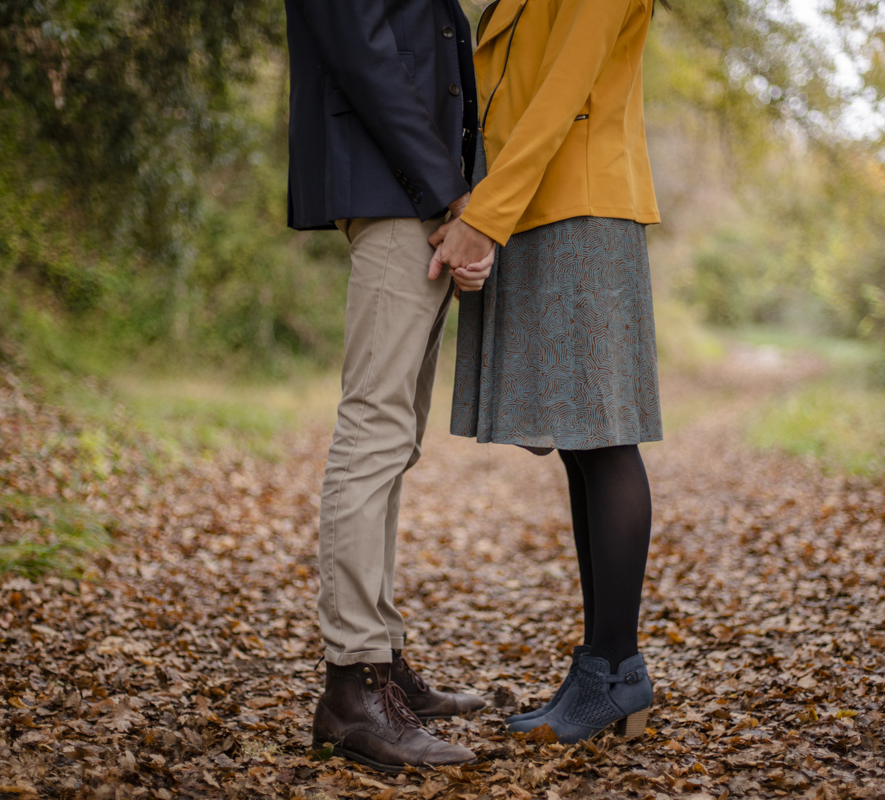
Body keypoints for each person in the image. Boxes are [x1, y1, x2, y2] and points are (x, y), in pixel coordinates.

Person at [430, 0, 663, 744]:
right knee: (581, 442)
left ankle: (615, 674)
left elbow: (560, 96)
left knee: (602, 438)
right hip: (542, 205)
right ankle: (605, 672)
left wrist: (484, 215)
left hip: (580, 207)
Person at [284, 0, 495, 772]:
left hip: (408, 186)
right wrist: (450, 192)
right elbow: (366, 55)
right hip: (394, 188)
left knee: (394, 437)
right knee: (374, 431)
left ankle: (381, 661)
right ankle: (352, 687)